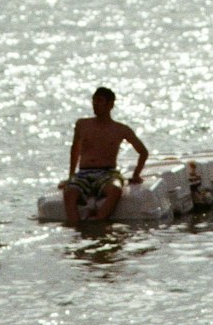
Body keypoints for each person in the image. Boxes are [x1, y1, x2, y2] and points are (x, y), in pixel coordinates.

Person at [61, 87, 148, 228]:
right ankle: (76, 227)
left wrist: (136, 174)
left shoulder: (120, 129)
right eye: (94, 101)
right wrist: (70, 176)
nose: (95, 104)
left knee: (115, 190)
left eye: (99, 101)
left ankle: (98, 222)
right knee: (69, 193)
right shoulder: (82, 124)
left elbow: (143, 152)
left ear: (110, 104)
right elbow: (75, 150)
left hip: (107, 173)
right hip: (84, 173)